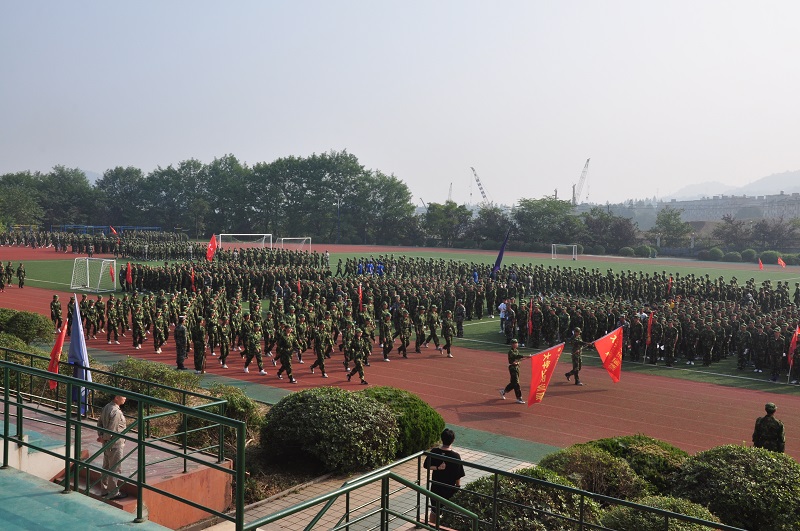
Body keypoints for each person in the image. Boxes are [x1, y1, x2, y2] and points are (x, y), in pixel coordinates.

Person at [423, 428, 465, 526]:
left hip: (435, 487)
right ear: (453, 440)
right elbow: (458, 476)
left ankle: (431, 527)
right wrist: (458, 487)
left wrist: (437, 468)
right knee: (448, 513)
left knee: (434, 511)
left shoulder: (434, 451)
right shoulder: (456, 456)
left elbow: (426, 465)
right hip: (449, 489)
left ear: (441, 439)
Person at [96, 394, 128, 499]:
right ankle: (113, 492)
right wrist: (104, 437)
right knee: (115, 468)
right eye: (123, 396)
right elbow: (112, 430)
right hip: (115, 443)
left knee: (106, 466)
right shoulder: (116, 412)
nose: (125, 398)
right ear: (116, 398)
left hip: (107, 443)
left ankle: (104, 489)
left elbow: (99, 423)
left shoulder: (107, 407)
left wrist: (101, 436)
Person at [500, 338, 527, 404]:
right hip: (512, 368)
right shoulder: (511, 352)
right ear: (512, 344)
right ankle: (519, 398)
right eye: (515, 343)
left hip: (517, 368)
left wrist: (518, 362)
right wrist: (525, 356)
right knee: (516, 383)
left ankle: (504, 391)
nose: (516, 344)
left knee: (513, 383)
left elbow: (519, 359)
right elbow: (516, 356)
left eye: (516, 343)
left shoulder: (517, 351)